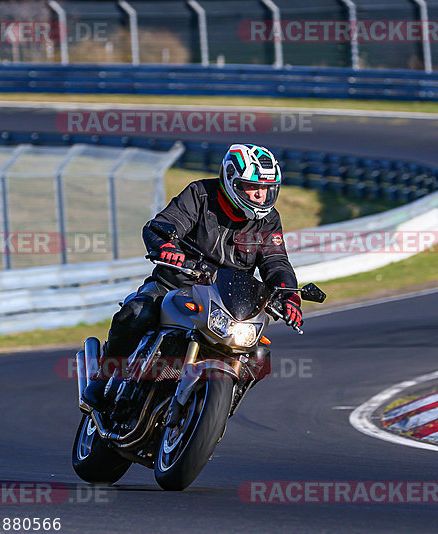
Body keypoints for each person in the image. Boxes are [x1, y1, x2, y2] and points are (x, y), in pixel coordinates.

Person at [82, 144, 303, 409]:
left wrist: (289, 296)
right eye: (252, 187)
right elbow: (162, 225)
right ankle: (105, 376)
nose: (260, 195)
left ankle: (220, 406)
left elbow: (275, 260)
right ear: (232, 181)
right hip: (177, 284)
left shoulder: (269, 221)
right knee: (136, 312)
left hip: (229, 300)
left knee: (258, 357)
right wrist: (166, 248)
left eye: (267, 188)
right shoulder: (200, 194)